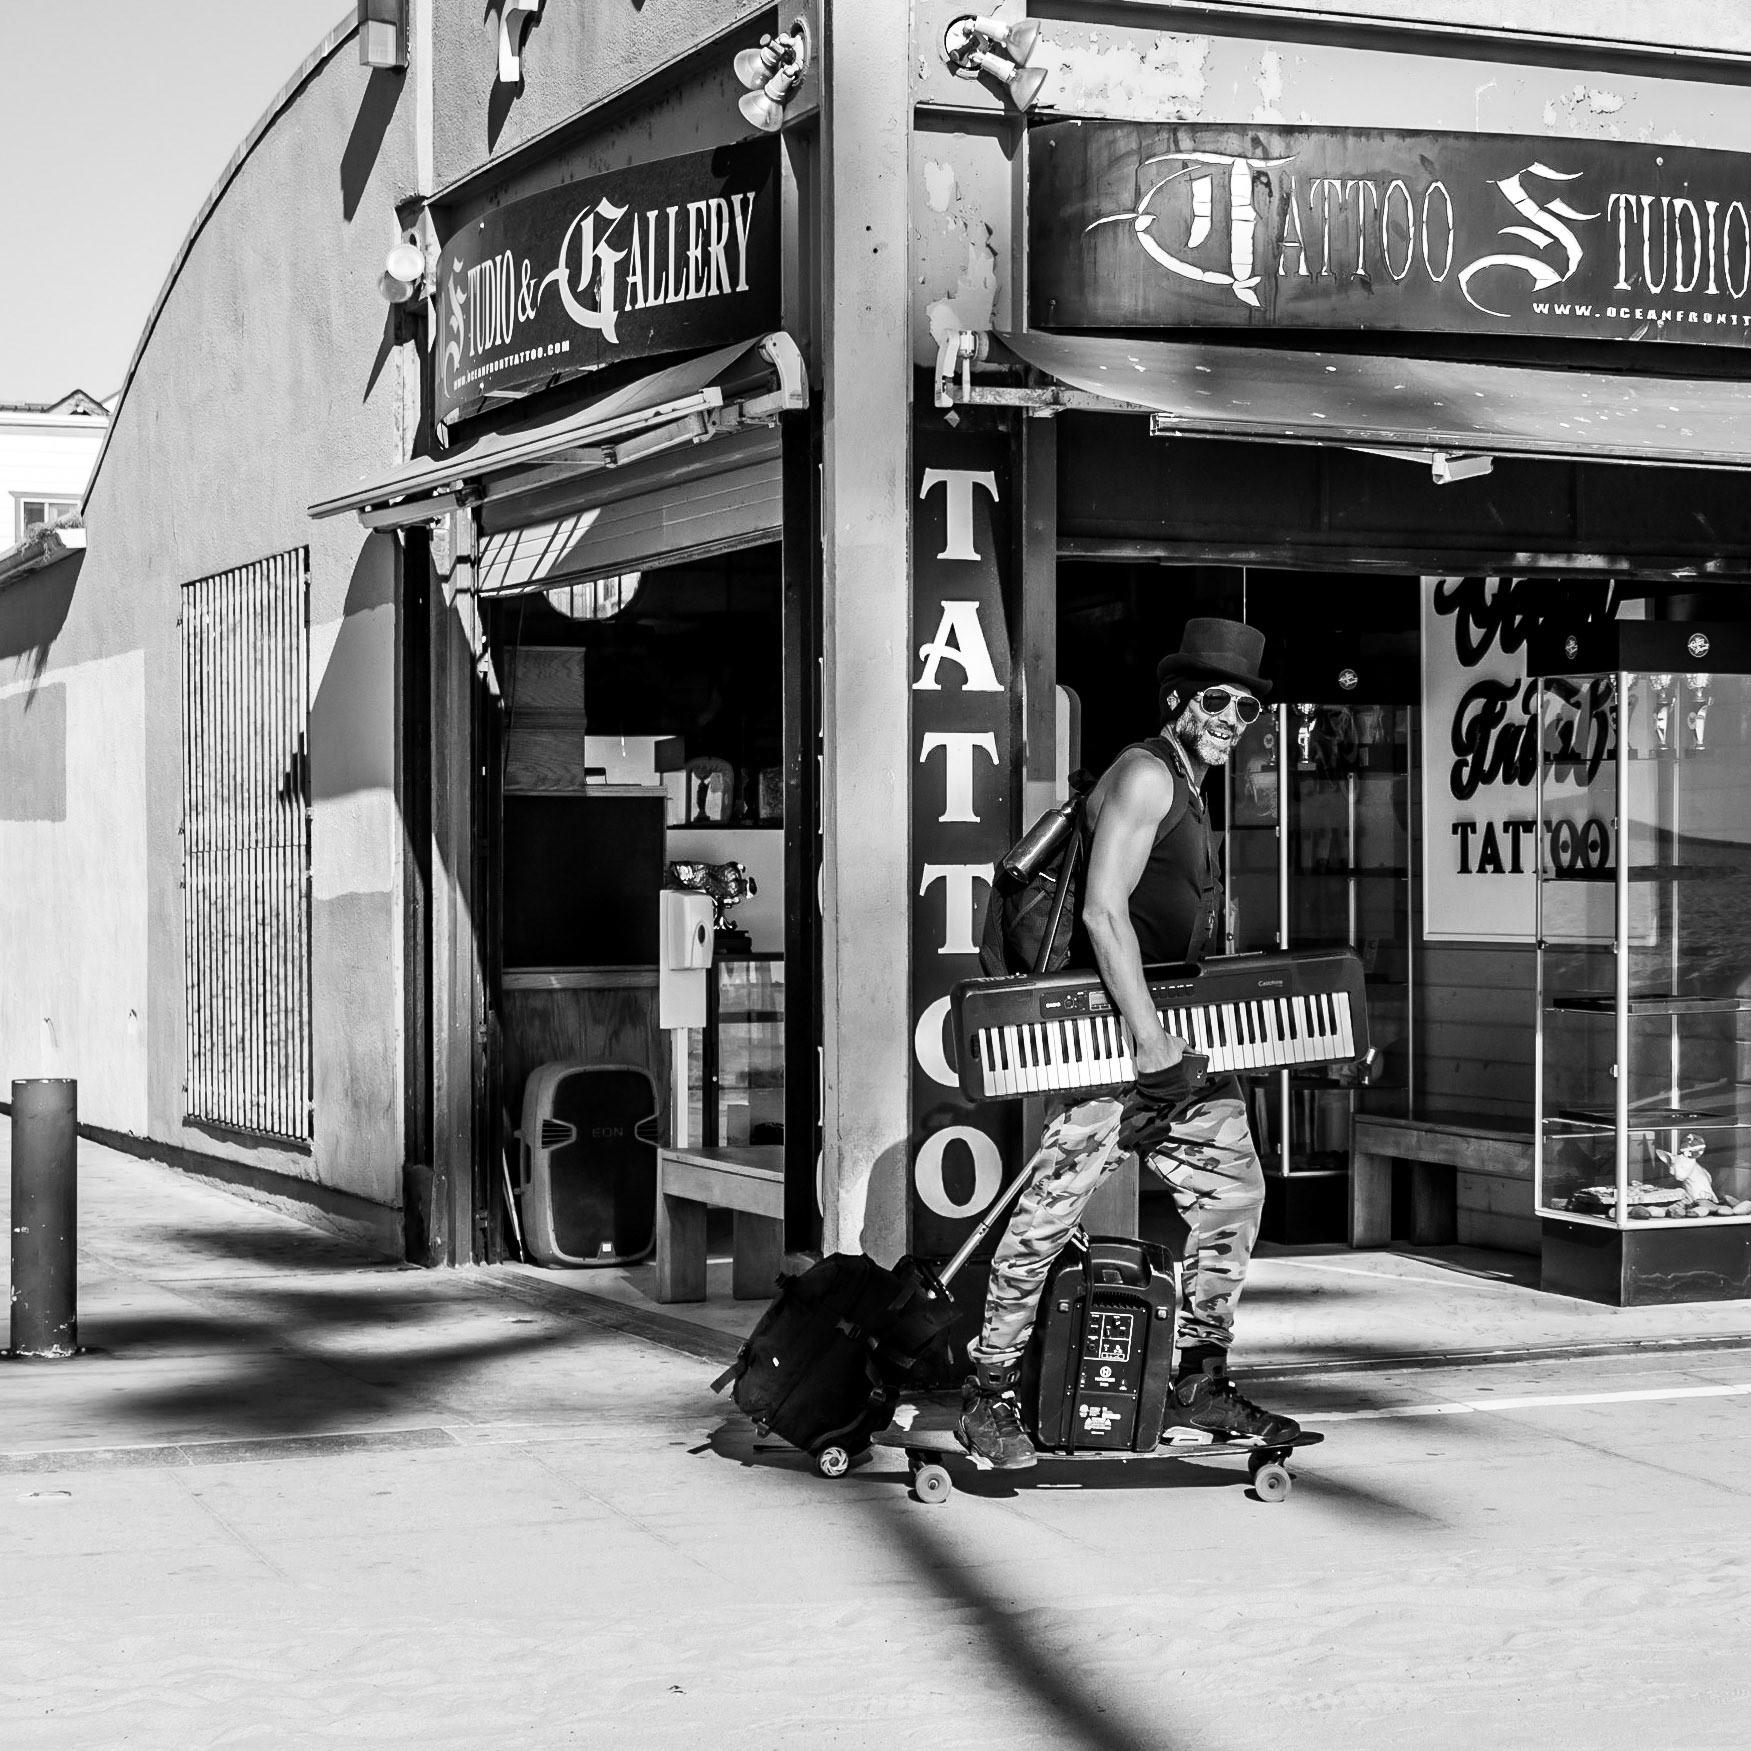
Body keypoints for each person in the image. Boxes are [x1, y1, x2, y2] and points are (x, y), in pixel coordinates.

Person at [961, 617, 1301, 1468]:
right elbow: (1102, 911)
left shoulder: (1187, 782)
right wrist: (1150, 1044)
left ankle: (1199, 1376)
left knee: (1231, 1191)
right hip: (1112, 1042)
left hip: (1166, 1040)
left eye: (1248, 709)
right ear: (1179, 700)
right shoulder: (1147, 774)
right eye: (1218, 701)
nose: (1233, 718)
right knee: (1046, 1215)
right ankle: (988, 1391)